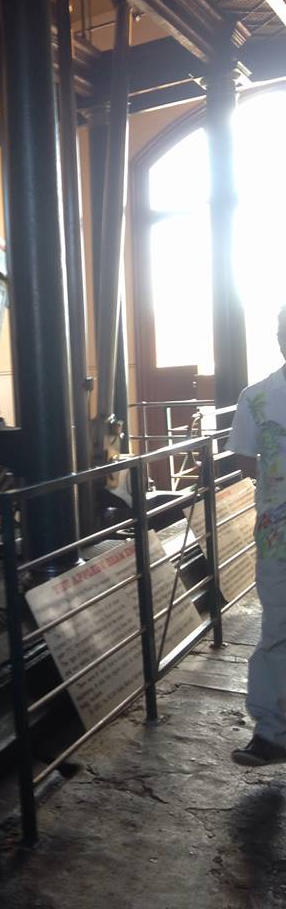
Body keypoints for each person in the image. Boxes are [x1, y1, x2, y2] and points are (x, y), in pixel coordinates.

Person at [228, 305, 286, 766]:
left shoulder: (258, 397)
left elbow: (250, 461)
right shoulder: (256, 397)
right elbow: (245, 459)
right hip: (277, 535)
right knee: (278, 628)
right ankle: (272, 731)